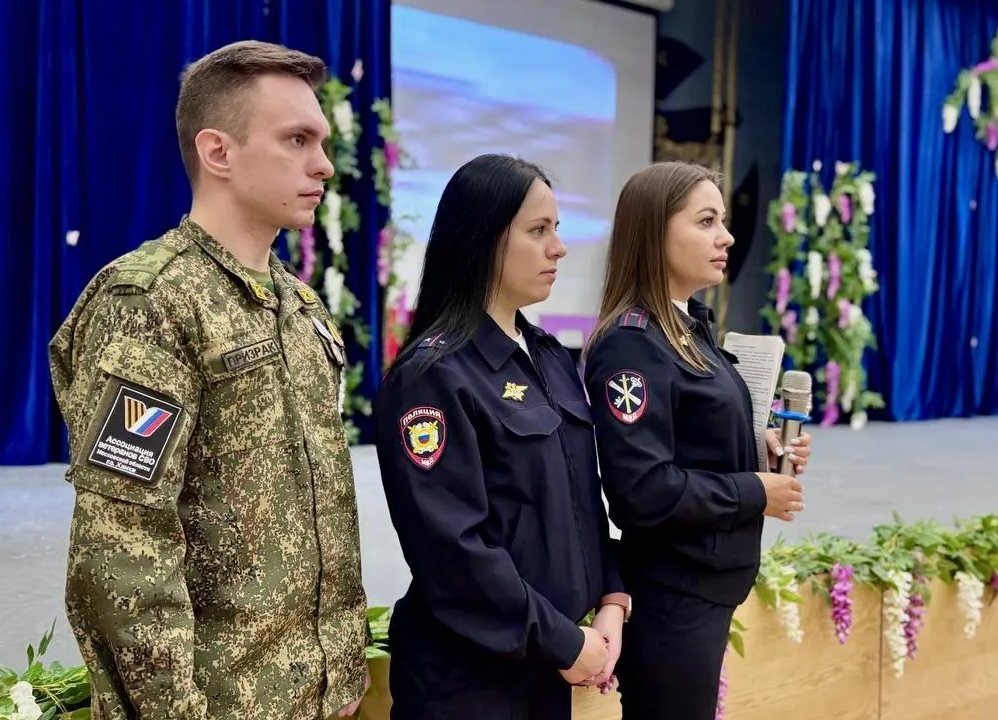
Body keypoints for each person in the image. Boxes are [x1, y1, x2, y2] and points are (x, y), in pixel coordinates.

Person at [48, 40, 370, 720]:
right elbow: (123, 546)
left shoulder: (299, 304)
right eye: (297, 140)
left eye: (321, 142)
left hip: (316, 695)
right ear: (218, 152)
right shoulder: (151, 302)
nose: (322, 164)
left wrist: (337, 675)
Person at [373, 154, 630, 720]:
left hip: (546, 668)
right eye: (538, 231)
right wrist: (564, 642)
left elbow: (581, 502)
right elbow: (452, 551)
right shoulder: (434, 376)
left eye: (557, 229)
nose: (558, 248)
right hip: (469, 680)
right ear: (483, 240)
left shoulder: (549, 357)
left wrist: (612, 597)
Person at [581, 161, 813, 720]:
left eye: (723, 221)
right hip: (674, 595)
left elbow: (694, 443)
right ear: (654, 233)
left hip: (703, 590)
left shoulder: (687, 328)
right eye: (706, 221)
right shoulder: (633, 346)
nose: (726, 237)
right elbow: (642, 490)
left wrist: (759, 451)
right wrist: (755, 491)